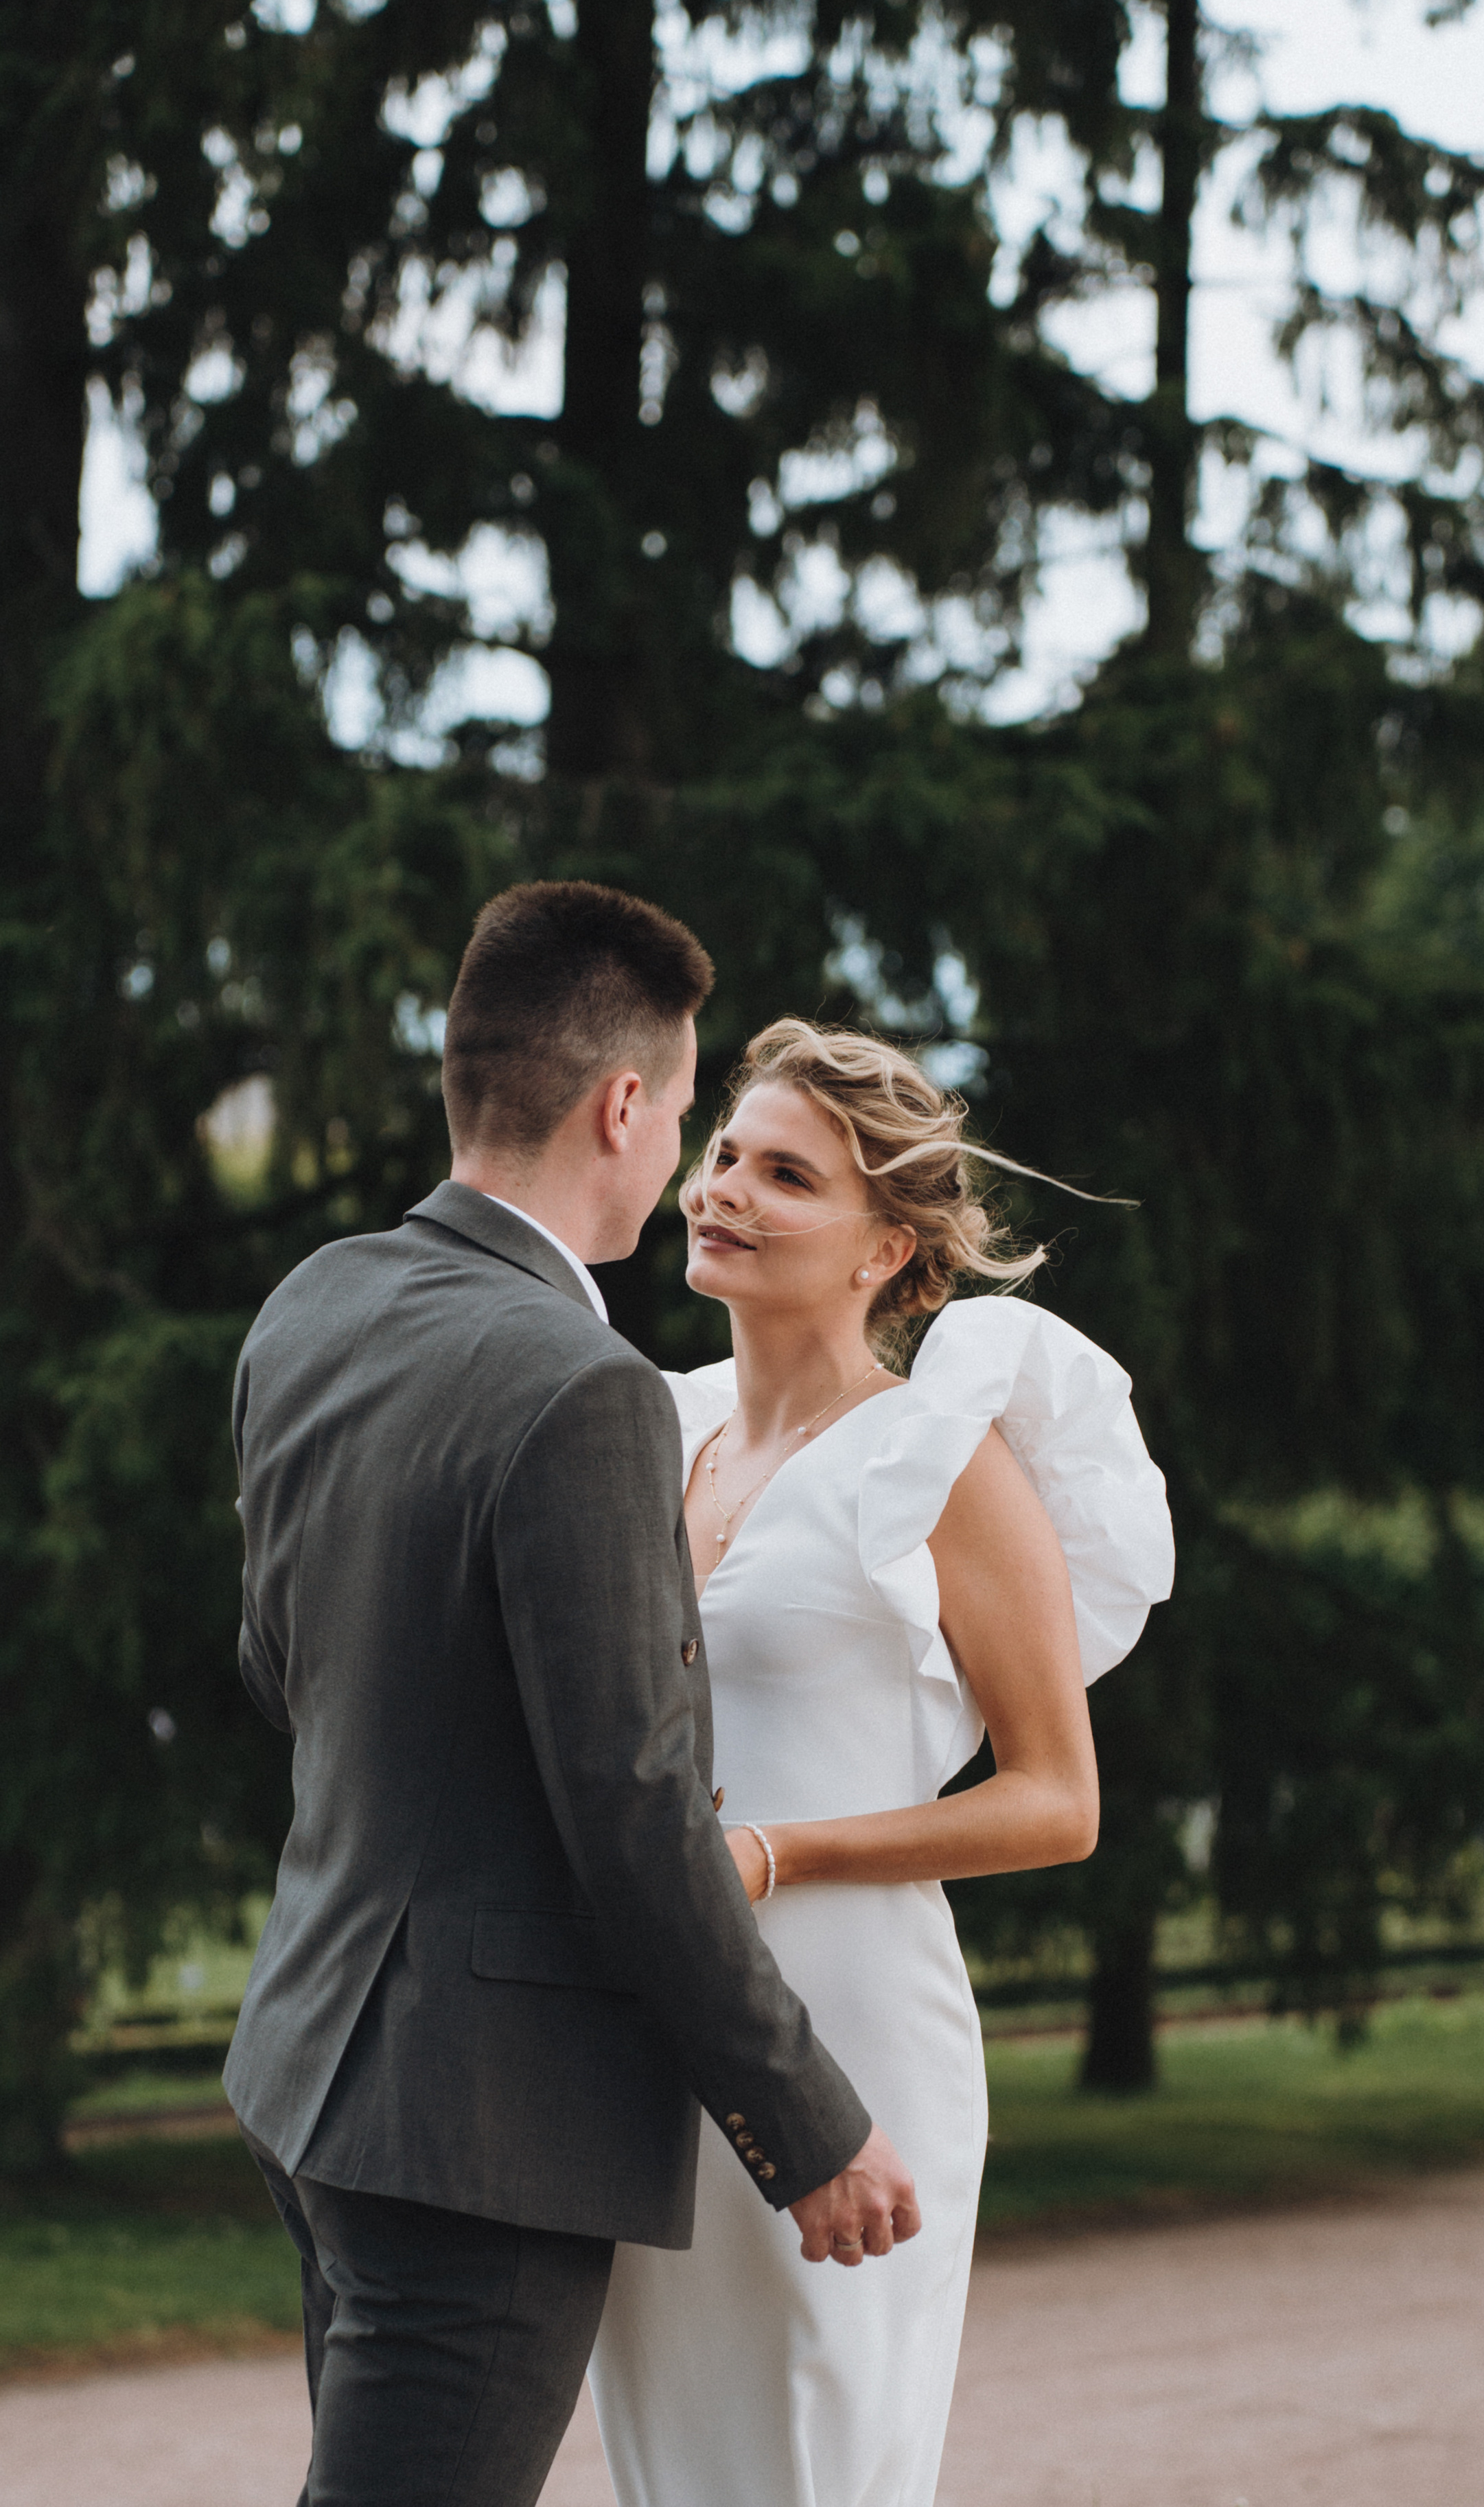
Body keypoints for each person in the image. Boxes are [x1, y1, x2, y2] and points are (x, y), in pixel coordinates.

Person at [223, 886, 919, 2507]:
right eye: (686, 1115)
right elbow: (630, 1811)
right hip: (477, 2130)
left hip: (310, 2063)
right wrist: (804, 2124)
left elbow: (279, 1669)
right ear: (622, 1106)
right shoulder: (585, 1389)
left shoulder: (316, 1301)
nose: (686, 1157)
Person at [587, 1018, 1175, 2507]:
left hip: (849, 2025)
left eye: (784, 1175)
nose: (722, 1190)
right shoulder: (657, 1432)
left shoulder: (940, 1455)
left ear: (883, 1248)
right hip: (653, 2024)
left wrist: (776, 1854)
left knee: (814, 2460)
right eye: (723, 1155)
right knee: (673, 2468)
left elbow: (1057, 1801)